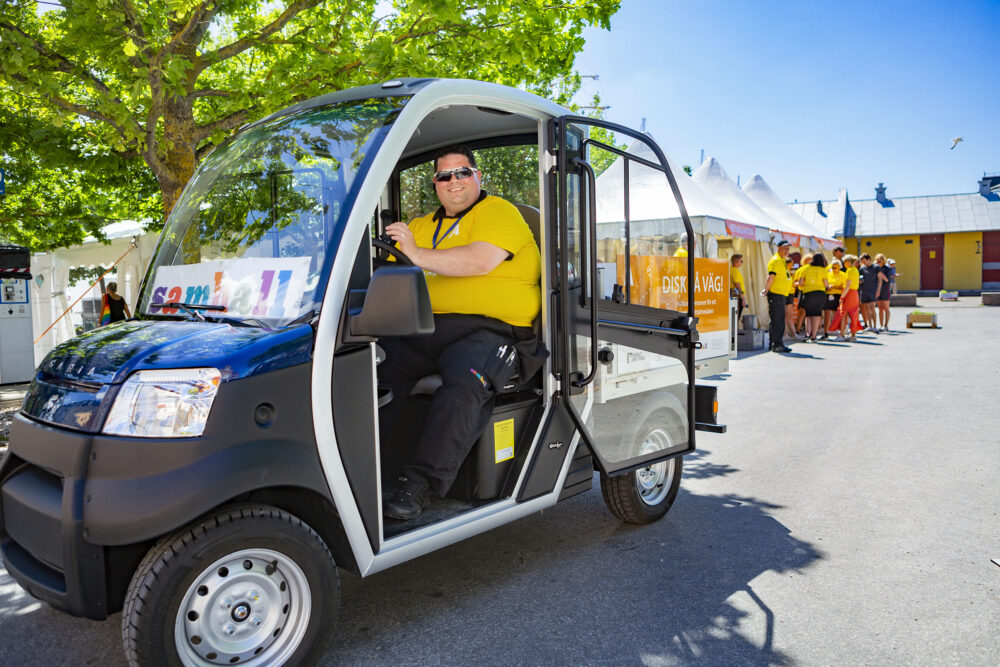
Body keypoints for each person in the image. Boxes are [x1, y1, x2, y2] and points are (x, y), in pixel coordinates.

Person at [379, 145, 543, 520]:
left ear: (477, 176)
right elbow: (382, 273)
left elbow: (479, 259)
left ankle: (418, 485)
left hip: (490, 331)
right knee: (367, 366)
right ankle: (363, 466)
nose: (453, 181)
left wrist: (417, 255)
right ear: (435, 184)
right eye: (444, 175)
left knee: (466, 381)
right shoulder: (419, 226)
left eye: (462, 172)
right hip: (421, 328)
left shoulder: (499, 212)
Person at [761, 239, 793, 352]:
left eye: (788, 249)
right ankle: (777, 344)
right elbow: (771, 277)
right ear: (779, 248)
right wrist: (766, 290)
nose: (787, 251)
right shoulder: (775, 261)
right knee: (778, 320)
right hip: (776, 294)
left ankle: (774, 344)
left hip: (780, 294)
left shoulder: (781, 260)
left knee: (776, 319)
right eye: (785, 248)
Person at [798, 252, 829, 342]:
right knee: (817, 314)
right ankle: (814, 336)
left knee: (808, 315)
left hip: (808, 293)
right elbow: (826, 284)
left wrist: (805, 286)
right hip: (820, 293)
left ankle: (808, 334)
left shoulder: (805, 268)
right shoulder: (823, 270)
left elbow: (800, 283)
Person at [830, 254, 861, 341]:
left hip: (849, 293)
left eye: (844, 262)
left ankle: (842, 334)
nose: (843, 264)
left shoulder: (849, 270)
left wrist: (842, 297)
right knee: (853, 314)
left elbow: (848, 285)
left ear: (848, 262)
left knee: (843, 314)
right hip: (855, 293)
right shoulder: (855, 270)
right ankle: (853, 335)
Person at [822, 259, 845, 340]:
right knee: (827, 314)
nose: (834, 269)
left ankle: (838, 332)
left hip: (837, 295)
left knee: (837, 314)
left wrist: (835, 286)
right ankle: (825, 333)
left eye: (836, 267)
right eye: (833, 267)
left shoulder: (843, 275)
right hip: (828, 294)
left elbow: (844, 286)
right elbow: (824, 283)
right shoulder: (828, 274)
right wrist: (827, 287)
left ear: (839, 267)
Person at [857, 253, 880, 332]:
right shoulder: (862, 269)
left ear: (869, 259)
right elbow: (860, 278)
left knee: (872, 308)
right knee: (867, 309)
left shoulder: (876, 267)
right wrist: (859, 282)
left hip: (872, 291)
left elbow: (880, 279)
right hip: (864, 291)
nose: (863, 263)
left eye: (864, 261)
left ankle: (875, 326)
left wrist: (878, 290)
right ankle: (869, 325)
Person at [792, 254, 812, 336]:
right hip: (805, 292)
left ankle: (803, 331)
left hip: (806, 292)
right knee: (804, 312)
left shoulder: (805, 269)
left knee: (805, 313)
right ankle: (799, 330)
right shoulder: (802, 270)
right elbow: (796, 282)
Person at [875, 253, 892, 330]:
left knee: (886, 308)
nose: (878, 262)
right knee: (880, 308)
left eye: (879, 261)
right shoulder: (875, 268)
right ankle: (881, 325)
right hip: (877, 289)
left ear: (883, 261)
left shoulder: (887, 269)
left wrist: (881, 273)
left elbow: (887, 279)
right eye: (877, 261)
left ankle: (886, 325)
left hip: (885, 288)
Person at [730, 253, 746, 326]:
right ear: (736, 262)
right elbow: (737, 286)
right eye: (741, 261)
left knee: (733, 315)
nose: (741, 263)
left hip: (733, 292)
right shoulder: (735, 271)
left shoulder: (731, 270)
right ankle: (734, 333)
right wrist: (742, 298)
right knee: (736, 315)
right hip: (735, 293)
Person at [785, 256, 798, 340]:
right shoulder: (784, 273)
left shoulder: (790, 273)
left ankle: (793, 333)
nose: (791, 266)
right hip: (784, 294)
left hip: (790, 294)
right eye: (790, 264)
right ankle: (785, 334)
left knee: (788, 315)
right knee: (784, 315)